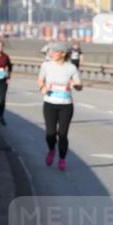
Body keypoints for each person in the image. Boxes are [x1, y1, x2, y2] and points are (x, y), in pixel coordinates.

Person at [37, 42, 82, 171]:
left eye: (55, 51)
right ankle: (51, 150)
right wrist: (43, 88)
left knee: (63, 134)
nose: (52, 53)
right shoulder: (46, 65)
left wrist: (76, 85)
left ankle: (62, 158)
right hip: (50, 103)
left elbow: (79, 84)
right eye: (52, 51)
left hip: (66, 105)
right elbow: (40, 80)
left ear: (63, 54)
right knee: (50, 133)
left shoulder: (71, 68)